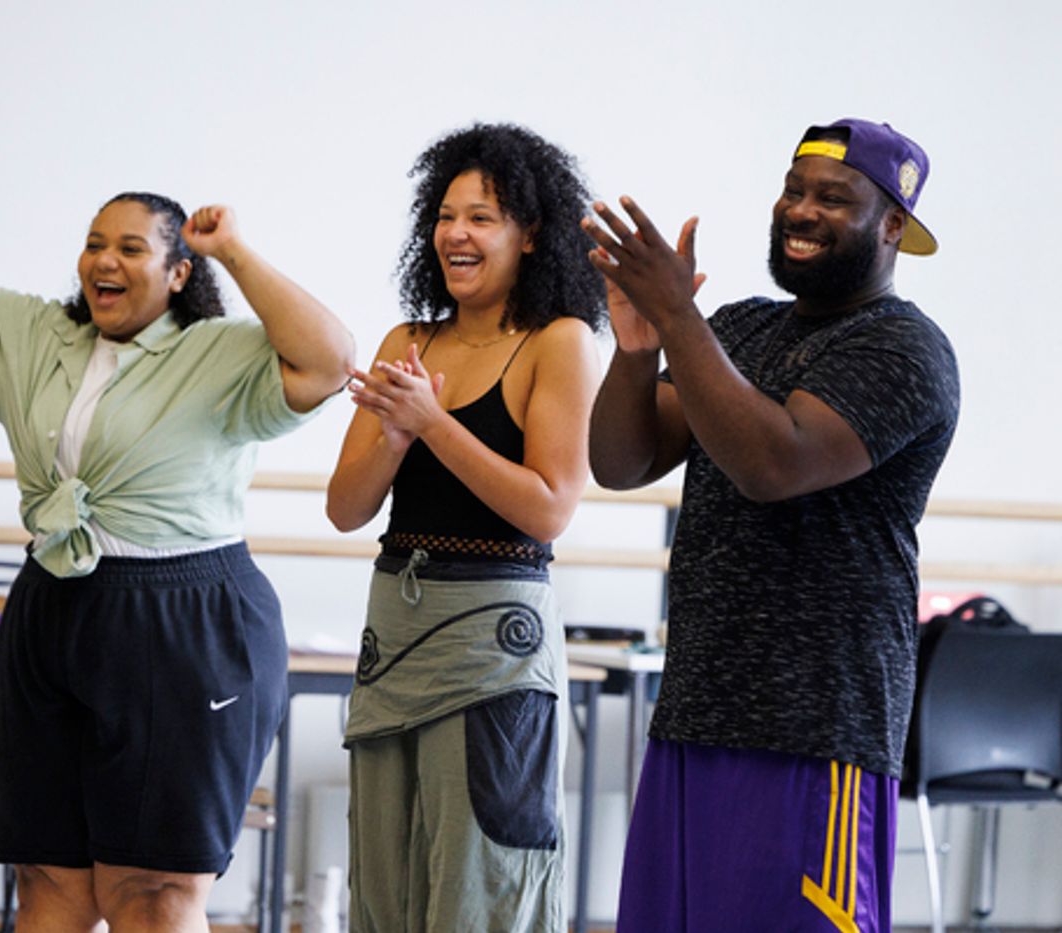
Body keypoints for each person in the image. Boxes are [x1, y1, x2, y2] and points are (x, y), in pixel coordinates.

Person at [0, 89, 353, 933]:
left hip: (183, 619)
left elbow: (329, 358)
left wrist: (238, 251)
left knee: (153, 891)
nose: (103, 260)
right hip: (52, 610)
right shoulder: (40, 336)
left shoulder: (217, 353)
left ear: (179, 272)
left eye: (131, 248)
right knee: (49, 880)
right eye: (93, 243)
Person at [585, 119, 959, 931]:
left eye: (834, 197)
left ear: (892, 224)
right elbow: (620, 462)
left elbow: (773, 465)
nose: (801, 210)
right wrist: (639, 347)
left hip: (815, 732)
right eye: (794, 189)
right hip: (696, 713)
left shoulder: (904, 347)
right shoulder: (742, 327)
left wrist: (681, 321)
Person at [327, 123, 604, 932]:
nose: (457, 234)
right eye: (447, 215)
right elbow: (346, 509)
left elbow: (549, 505)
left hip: (493, 648)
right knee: (383, 880)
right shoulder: (406, 341)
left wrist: (435, 424)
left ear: (531, 233)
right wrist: (396, 434)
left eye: (482, 217)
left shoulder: (562, 342)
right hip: (394, 633)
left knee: (481, 881)